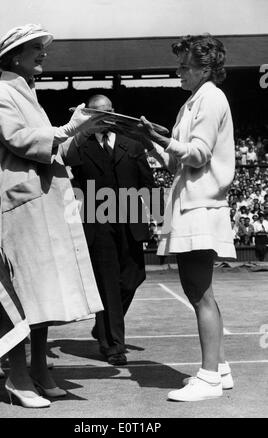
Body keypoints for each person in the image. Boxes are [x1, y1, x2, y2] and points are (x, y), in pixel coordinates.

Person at [0, 24, 108, 408]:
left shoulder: (27, 93)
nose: (42, 53)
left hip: (41, 205)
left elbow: (49, 145)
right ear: (15, 56)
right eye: (35, 48)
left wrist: (78, 132)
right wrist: (68, 128)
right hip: (17, 209)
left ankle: (39, 370)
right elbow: (19, 140)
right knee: (23, 297)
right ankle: (17, 376)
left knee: (43, 294)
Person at [119, 34, 236, 401]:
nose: (178, 72)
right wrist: (151, 137)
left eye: (184, 67)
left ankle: (209, 378)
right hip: (188, 205)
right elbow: (174, 161)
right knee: (197, 290)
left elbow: (198, 155)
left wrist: (163, 139)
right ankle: (219, 367)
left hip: (201, 207)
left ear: (205, 67)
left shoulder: (212, 98)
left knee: (198, 292)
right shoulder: (190, 104)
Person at [66, 94, 155, 366]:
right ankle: (113, 345)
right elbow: (69, 172)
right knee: (108, 284)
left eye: (107, 113)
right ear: (90, 117)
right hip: (98, 220)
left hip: (131, 219)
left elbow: (148, 183)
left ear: (114, 113)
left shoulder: (133, 145)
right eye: (96, 114)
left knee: (134, 276)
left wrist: (158, 219)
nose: (103, 118)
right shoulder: (81, 146)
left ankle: (102, 327)